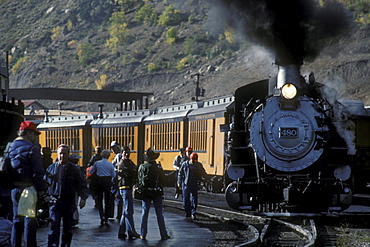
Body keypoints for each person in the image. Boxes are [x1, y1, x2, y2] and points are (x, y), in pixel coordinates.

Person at [8, 121, 48, 247]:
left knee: (16, 220)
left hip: (14, 189)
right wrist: (42, 191)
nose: (35, 138)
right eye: (34, 134)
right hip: (29, 188)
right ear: (29, 133)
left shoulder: (10, 146)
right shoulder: (33, 148)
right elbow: (38, 172)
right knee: (29, 220)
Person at [44, 144, 89, 247]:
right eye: (60, 153)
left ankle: (65, 245)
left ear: (68, 155)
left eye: (64, 154)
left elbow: (82, 183)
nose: (62, 156)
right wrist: (45, 195)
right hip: (54, 201)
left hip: (68, 201)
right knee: (54, 226)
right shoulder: (51, 168)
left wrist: (83, 198)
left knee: (67, 228)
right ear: (57, 154)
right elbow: (44, 182)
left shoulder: (74, 169)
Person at [138, 148, 170, 241]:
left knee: (145, 213)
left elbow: (139, 179)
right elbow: (163, 180)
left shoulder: (142, 167)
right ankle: (163, 234)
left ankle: (142, 234)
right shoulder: (158, 167)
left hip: (146, 192)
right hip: (156, 192)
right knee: (159, 213)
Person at [116, 146, 140, 240]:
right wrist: (133, 171)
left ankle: (121, 232)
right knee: (129, 210)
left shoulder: (129, 162)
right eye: (125, 152)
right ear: (122, 153)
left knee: (126, 211)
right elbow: (130, 173)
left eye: (128, 152)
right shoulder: (122, 163)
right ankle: (131, 231)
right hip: (124, 187)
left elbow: (135, 169)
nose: (127, 154)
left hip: (128, 187)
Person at [89, 149, 116, 225]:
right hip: (107, 182)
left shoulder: (97, 163)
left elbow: (91, 171)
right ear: (108, 156)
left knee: (99, 199)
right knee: (107, 200)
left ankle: (101, 216)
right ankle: (106, 216)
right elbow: (114, 175)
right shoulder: (110, 164)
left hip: (99, 182)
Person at [178, 152, 207, 220]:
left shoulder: (198, 165)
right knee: (185, 199)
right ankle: (188, 212)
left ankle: (193, 213)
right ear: (190, 159)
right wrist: (179, 182)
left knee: (194, 199)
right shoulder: (185, 164)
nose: (194, 162)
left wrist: (207, 178)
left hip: (194, 184)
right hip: (186, 184)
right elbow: (180, 173)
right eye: (193, 160)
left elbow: (203, 173)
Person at [110, 141, 123, 220]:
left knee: (115, 196)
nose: (112, 150)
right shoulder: (118, 155)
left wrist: (113, 169)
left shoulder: (118, 156)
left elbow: (118, 167)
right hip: (117, 179)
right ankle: (118, 214)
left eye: (114, 148)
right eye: (112, 148)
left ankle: (116, 214)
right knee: (118, 197)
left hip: (116, 179)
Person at [68, 154, 82, 227]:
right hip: (74, 189)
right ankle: (74, 218)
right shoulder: (77, 168)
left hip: (71, 188)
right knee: (74, 204)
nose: (78, 160)